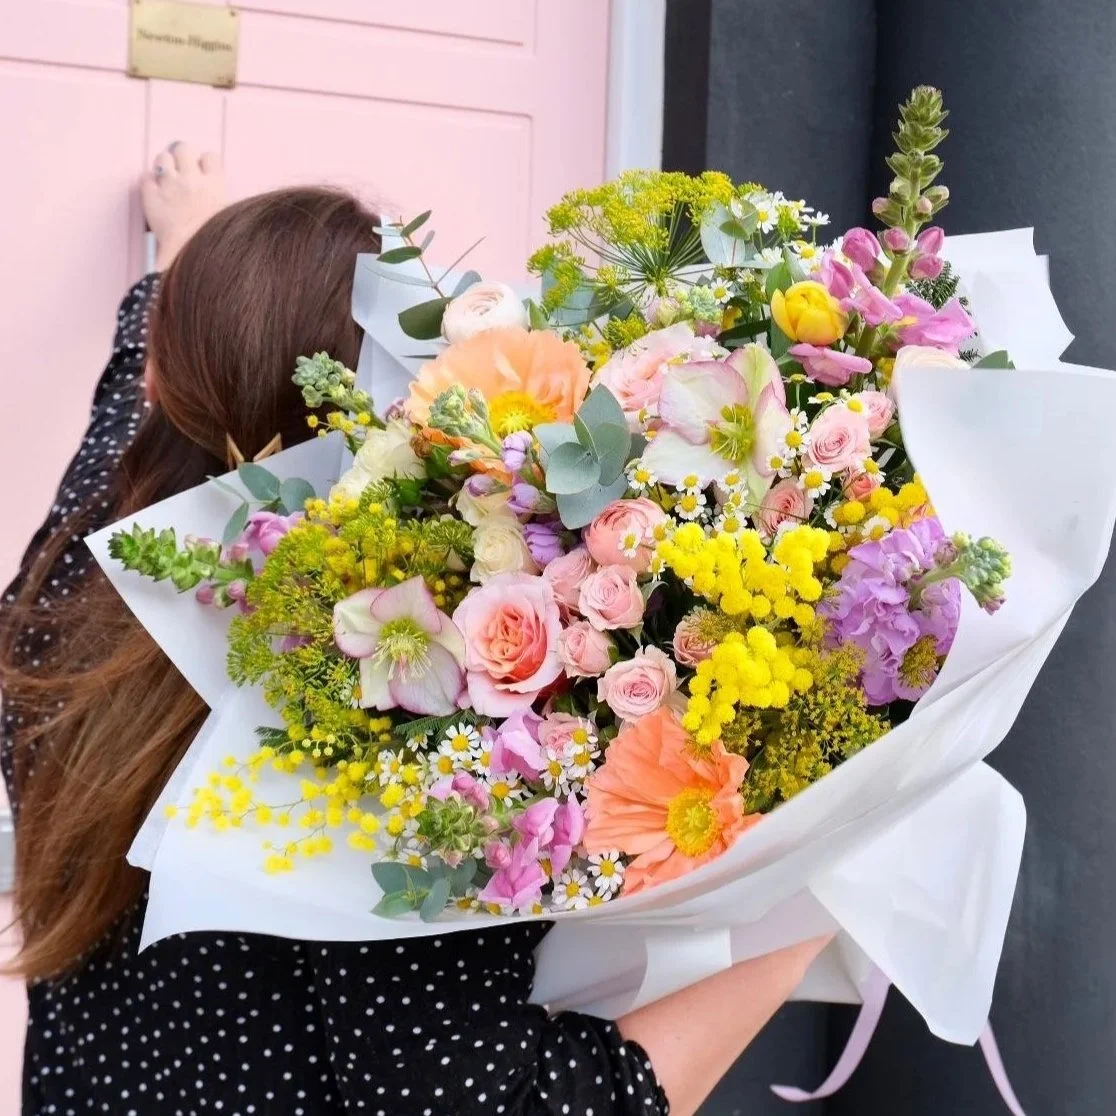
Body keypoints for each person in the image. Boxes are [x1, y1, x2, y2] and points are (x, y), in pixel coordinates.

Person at [0, 143, 829, 1116]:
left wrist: (181, 262)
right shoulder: (376, 718)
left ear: (164, 378)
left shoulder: (80, 555)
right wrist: (812, 908)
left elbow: (130, 402)